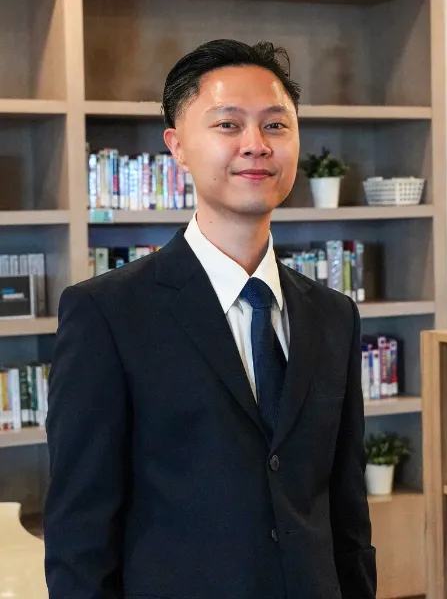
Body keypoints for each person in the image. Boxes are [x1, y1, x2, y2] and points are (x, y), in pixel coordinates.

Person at [44, 39, 377, 599]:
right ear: (177, 146)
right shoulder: (107, 314)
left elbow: (346, 514)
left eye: (275, 126)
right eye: (228, 125)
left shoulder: (333, 315)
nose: (256, 145)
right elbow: (80, 534)